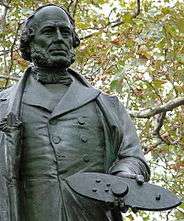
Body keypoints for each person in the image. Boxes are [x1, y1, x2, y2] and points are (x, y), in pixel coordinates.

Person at [0, 4, 150, 221]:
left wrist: (123, 177)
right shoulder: (4, 105)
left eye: (65, 32)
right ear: (30, 43)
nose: (59, 38)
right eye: (49, 31)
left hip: (91, 213)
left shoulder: (106, 105)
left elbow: (131, 156)